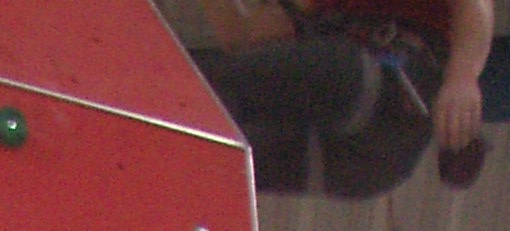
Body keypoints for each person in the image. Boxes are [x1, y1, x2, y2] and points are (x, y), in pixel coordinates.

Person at [189, 0, 492, 195]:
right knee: (208, 160)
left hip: (378, 88)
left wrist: (463, 75)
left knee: (203, 88)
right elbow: (243, 39)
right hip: (374, 164)